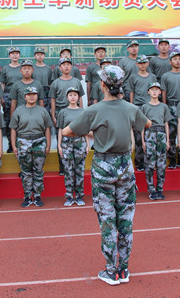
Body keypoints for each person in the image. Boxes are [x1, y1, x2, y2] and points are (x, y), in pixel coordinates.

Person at [63, 65, 150, 285]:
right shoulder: (130, 108)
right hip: (125, 165)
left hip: (103, 166)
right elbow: (147, 124)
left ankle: (111, 271)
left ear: (102, 84)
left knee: (107, 220)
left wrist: (94, 130)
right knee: (126, 220)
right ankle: (124, 269)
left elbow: (67, 131)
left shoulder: (94, 110)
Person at [10, 86, 52, 208]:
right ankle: (27, 196)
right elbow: (13, 129)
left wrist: (48, 145)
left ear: (37, 96)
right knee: (26, 171)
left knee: (38, 170)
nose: (31, 96)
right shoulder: (19, 110)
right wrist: (14, 146)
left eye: (34, 94)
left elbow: (47, 129)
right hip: (23, 142)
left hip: (39, 141)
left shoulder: (42, 111)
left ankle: (37, 195)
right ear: (25, 97)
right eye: (29, 94)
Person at [57, 87, 89, 206]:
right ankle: (69, 196)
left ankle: (79, 196)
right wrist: (59, 145)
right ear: (67, 97)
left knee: (79, 170)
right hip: (67, 142)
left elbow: (85, 129)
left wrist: (87, 145)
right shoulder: (63, 112)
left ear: (78, 97)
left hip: (80, 141)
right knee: (68, 170)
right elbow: (60, 129)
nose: (73, 97)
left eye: (75, 95)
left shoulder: (83, 111)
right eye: (70, 95)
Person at [141, 82, 171, 200]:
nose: (154, 92)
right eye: (152, 89)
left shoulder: (164, 107)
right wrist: (143, 141)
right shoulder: (145, 107)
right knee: (149, 163)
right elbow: (142, 125)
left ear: (160, 92)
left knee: (161, 164)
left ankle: (159, 188)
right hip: (149, 134)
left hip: (161, 134)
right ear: (148, 92)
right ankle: (151, 189)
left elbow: (166, 124)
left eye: (156, 89)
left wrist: (167, 140)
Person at [161, 51, 180, 168]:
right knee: (172, 133)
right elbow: (164, 92)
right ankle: (172, 158)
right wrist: (165, 107)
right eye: (175, 59)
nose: (177, 61)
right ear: (170, 62)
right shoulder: (165, 76)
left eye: (179, 59)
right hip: (171, 106)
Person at [129, 55, 157, 171]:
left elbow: (155, 90)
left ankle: (150, 161)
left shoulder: (152, 77)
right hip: (138, 106)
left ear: (147, 63)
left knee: (151, 134)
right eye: (140, 63)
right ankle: (139, 162)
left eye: (144, 63)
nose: (142, 65)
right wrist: (132, 106)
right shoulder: (133, 77)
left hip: (150, 106)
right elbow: (131, 92)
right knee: (138, 136)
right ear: (137, 64)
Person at [1, 46, 22, 152]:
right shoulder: (5, 68)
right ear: (9, 55)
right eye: (12, 53)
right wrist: (1, 97)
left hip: (21, 95)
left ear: (19, 55)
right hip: (8, 96)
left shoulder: (23, 67)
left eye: (16, 53)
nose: (14, 55)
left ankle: (20, 143)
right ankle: (11, 144)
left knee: (21, 120)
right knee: (9, 120)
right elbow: (3, 83)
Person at [32, 46, 52, 114]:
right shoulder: (32, 68)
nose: (40, 56)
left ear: (44, 56)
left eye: (41, 54)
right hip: (34, 91)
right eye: (38, 54)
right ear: (35, 56)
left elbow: (50, 83)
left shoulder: (48, 68)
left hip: (45, 92)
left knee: (45, 112)